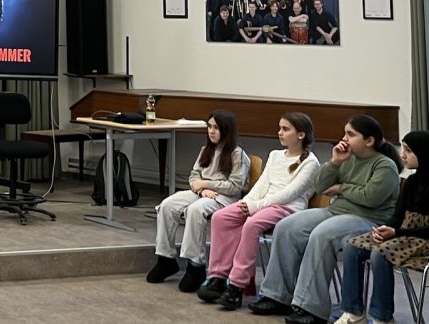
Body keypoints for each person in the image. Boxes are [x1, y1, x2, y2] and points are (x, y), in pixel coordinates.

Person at [249, 115, 402, 324]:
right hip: (336, 211)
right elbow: (320, 187)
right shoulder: (346, 158)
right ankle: (277, 296)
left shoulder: (385, 166)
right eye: (345, 133)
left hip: (368, 219)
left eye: (350, 134)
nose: (344, 139)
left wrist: (341, 188)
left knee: (323, 234)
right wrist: (334, 162)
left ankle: (311, 308)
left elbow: (370, 197)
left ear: (369, 141)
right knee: (286, 227)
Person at [197, 113, 320, 310]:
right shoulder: (275, 155)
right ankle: (218, 277)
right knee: (221, 217)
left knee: (252, 224)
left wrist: (256, 207)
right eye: (279, 128)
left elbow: (290, 193)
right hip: (263, 203)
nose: (280, 132)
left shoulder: (311, 163)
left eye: (285, 129)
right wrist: (247, 202)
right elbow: (262, 184)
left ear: (301, 135)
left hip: (288, 208)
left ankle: (236, 286)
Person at [146, 110, 249, 292]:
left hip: (224, 198)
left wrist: (207, 184)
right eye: (209, 126)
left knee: (195, 210)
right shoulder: (206, 150)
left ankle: (196, 266)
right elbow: (194, 176)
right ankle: (165, 259)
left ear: (227, 130)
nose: (211, 131)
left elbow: (235, 186)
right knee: (167, 205)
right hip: (202, 192)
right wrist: (201, 189)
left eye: (216, 128)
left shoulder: (238, 154)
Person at [335, 130, 429, 324]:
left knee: (380, 254)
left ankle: (382, 318)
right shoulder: (411, 181)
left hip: (424, 239)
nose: (402, 155)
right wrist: (383, 230)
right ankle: (353, 313)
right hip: (403, 236)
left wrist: (396, 232)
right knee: (352, 246)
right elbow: (397, 217)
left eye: (409, 151)